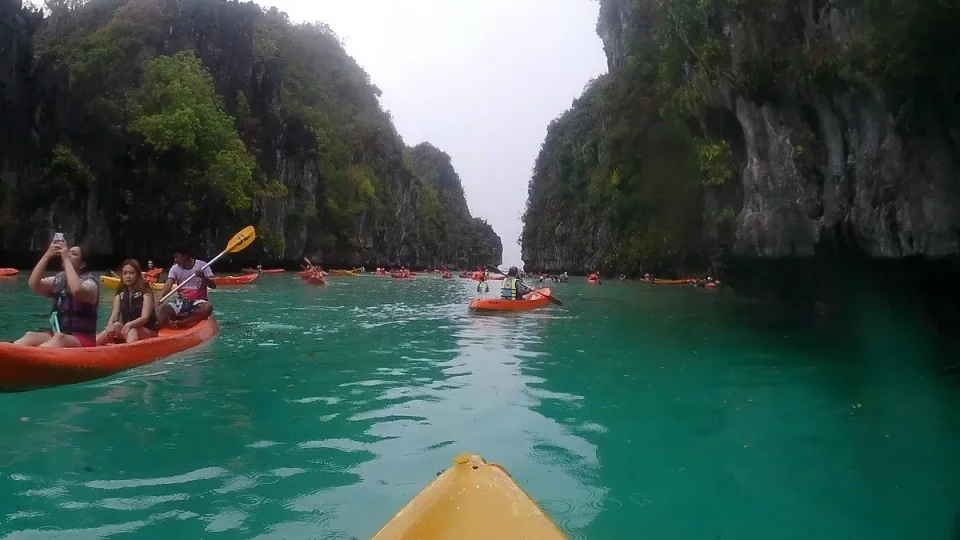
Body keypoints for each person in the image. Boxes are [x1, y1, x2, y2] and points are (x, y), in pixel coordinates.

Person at [15, 239, 100, 348]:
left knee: (59, 339)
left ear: (82, 264)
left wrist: (65, 259)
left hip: (82, 339)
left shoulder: (90, 283)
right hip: (57, 335)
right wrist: (47, 255)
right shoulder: (59, 279)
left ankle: (36, 358)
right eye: (67, 252)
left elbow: (77, 290)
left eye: (73, 254)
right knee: (30, 336)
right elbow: (33, 284)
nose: (68, 255)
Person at [97, 259, 160, 344]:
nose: (128, 276)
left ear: (137, 275)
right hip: (128, 329)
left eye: (131, 273)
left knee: (132, 330)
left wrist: (129, 324)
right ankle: (92, 347)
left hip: (148, 331)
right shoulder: (120, 295)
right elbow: (114, 317)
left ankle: (129, 352)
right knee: (115, 325)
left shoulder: (146, 293)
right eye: (125, 273)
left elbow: (144, 318)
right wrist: (110, 324)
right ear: (122, 276)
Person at [157, 247, 216, 329]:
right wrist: (161, 297)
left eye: (177, 256)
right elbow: (169, 284)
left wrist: (203, 277)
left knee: (208, 307)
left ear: (185, 256)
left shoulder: (202, 265)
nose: (175, 260)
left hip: (199, 302)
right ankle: (155, 328)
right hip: (182, 302)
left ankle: (184, 322)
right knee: (165, 308)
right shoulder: (175, 268)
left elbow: (213, 286)